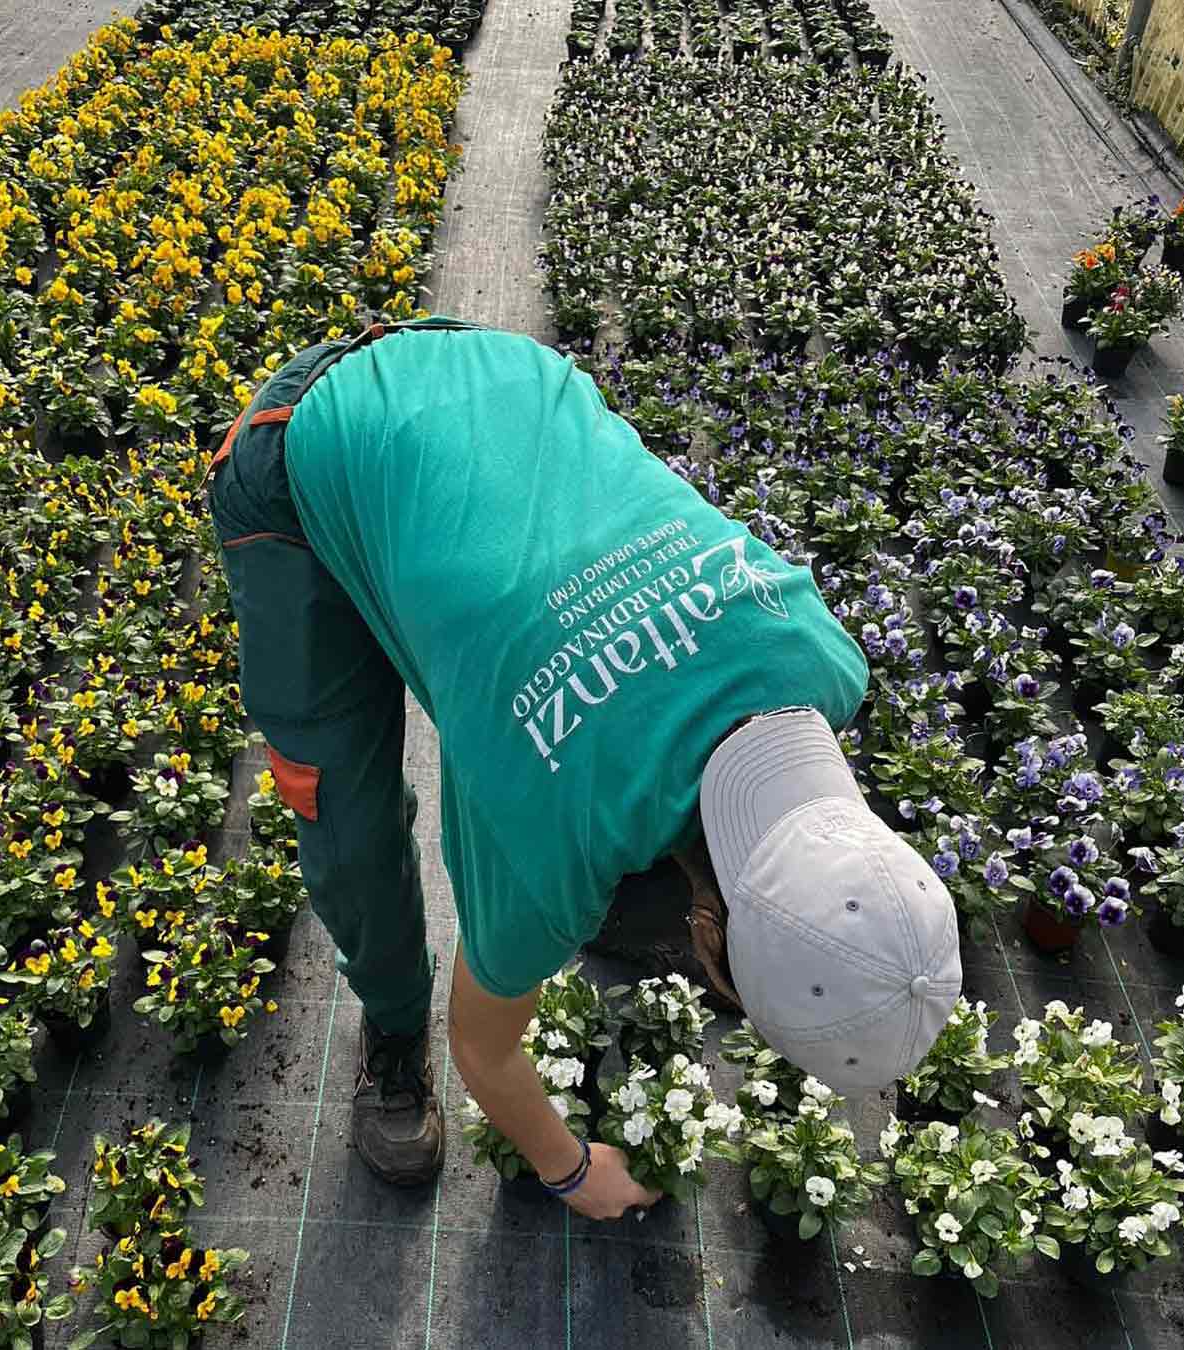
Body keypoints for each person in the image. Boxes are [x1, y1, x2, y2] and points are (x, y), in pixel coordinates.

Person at [205, 316, 963, 1220]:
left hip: (502, 373)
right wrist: (572, 1171)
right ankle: (391, 1032)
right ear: (709, 945)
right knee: (343, 813)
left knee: (599, 808)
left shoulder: (823, 657)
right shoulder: (550, 830)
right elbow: (484, 1051)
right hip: (299, 449)